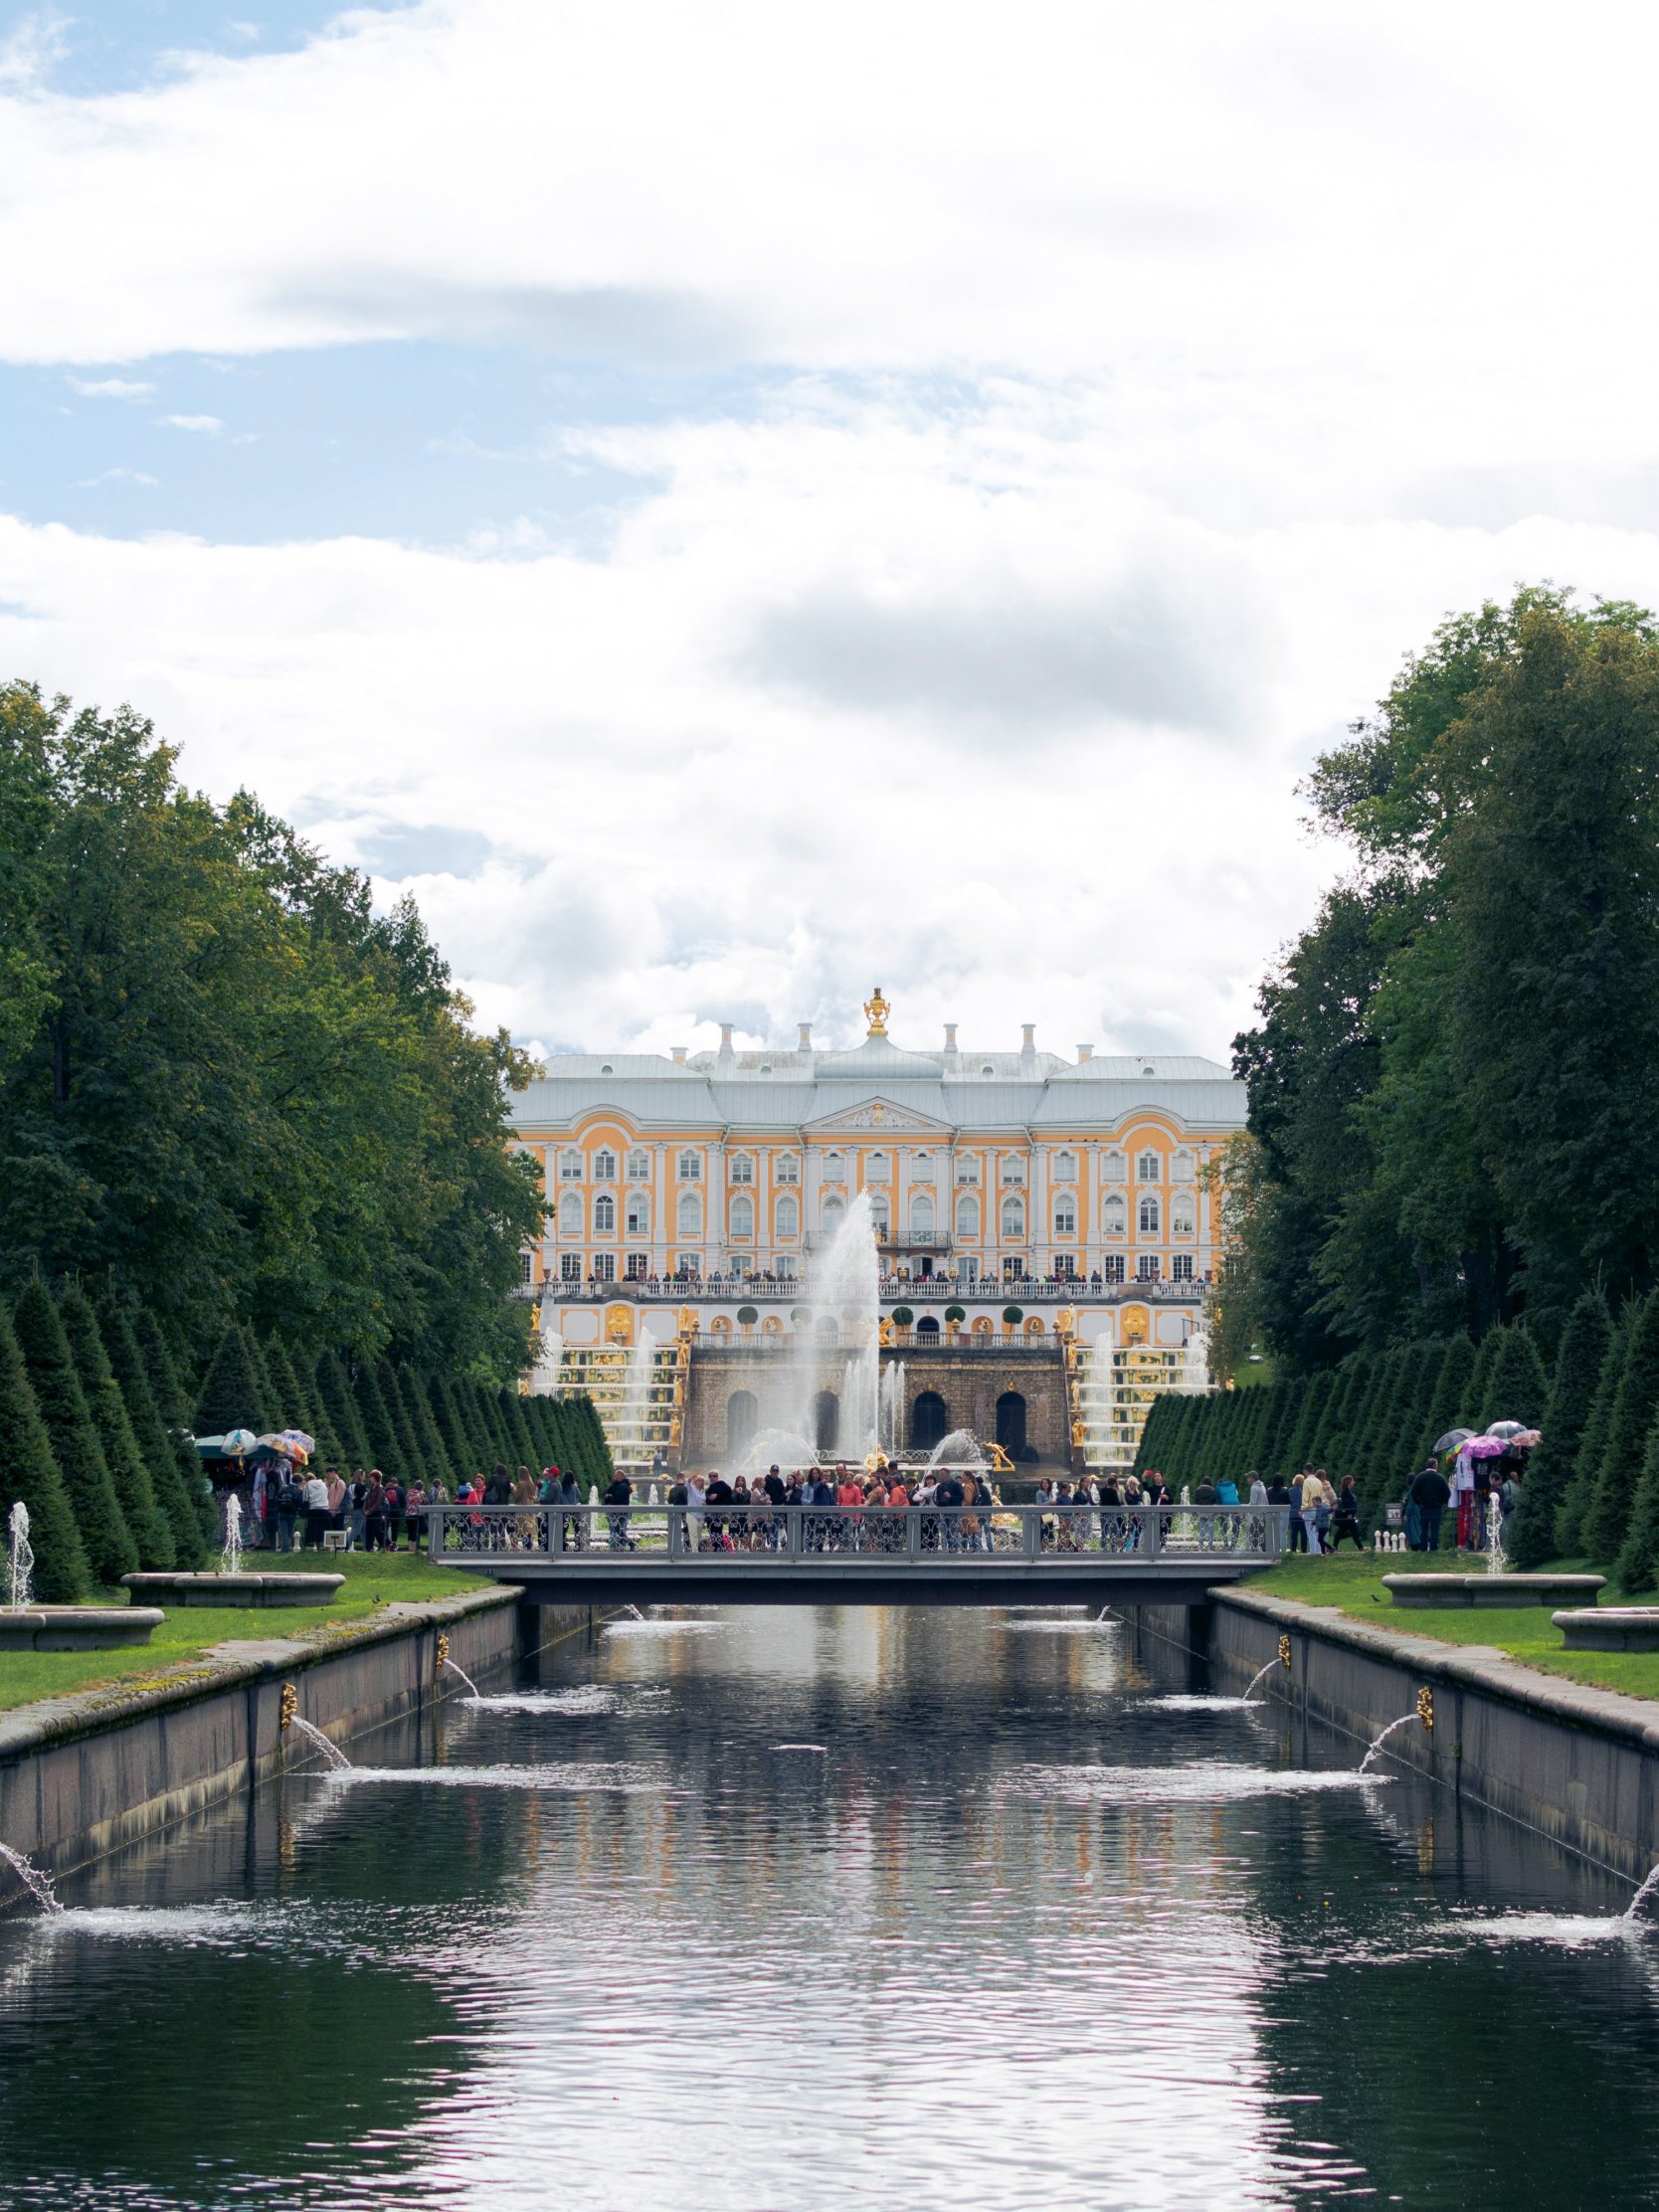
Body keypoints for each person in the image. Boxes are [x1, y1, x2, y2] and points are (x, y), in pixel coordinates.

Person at [1408, 1459, 1451, 1553]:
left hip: (1423, 1506)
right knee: (1435, 1529)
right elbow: (1447, 1493)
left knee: (1423, 1528)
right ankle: (1433, 1548)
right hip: (1436, 1507)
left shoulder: (1420, 1477)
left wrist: (1418, 1502)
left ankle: (1423, 1548)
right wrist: (1442, 1502)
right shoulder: (1440, 1477)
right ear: (1435, 1466)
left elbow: (1413, 1492)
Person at [1330, 1475, 1365, 1553]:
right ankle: (1360, 1547)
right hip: (1348, 1516)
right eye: (1352, 1481)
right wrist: (1349, 1513)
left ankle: (1334, 1548)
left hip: (1348, 1516)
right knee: (1353, 1531)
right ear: (1349, 1482)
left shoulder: (1346, 1491)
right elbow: (1346, 1504)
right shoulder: (1345, 1492)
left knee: (1341, 1531)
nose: (1354, 1482)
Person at [274, 1465, 303, 1553]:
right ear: (299, 1482)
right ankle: (286, 1547)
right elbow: (299, 1502)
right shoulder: (299, 1491)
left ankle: (285, 1547)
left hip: (282, 1511)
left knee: (283, 1530)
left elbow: (277, 1498)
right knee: (290, 1530)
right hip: (292, 1512)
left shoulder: (283, 1487)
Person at [603, 1468, 633, 1551]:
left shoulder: (622, 1486)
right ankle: (620, 1546)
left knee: (617, 1530)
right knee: (619, 1530)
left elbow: (616, 1498)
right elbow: (606, 1493)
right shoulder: (616, 1485)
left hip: (620, 1512)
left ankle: (618, 1547)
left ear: (621, 1476)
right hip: (617, 1512)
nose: (613, 1477)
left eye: (615, 1476)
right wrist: (608, 1496)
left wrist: (608, 1497)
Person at [302, 1467, 331, 1551]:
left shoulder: (308, 1485)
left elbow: (305, 1498)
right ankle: (328, 1548)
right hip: (325, 1509)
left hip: (313, 1509)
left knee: (315, 1530)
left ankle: (318, 1548)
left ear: (307, 1480)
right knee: (326, 1529)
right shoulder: (323, 1484)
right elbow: (327, 1495)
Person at [348, 1469, 369, 1552]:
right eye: (363, 1475)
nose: (364, 1477)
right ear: (360, 1476)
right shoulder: (361, 1486)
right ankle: (346, 1545)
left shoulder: (351, 1486)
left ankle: (367, 1546)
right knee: (357, 1529)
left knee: (363, 1530)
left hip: (354, 1508)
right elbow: (364, 1497)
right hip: (360, 1509)